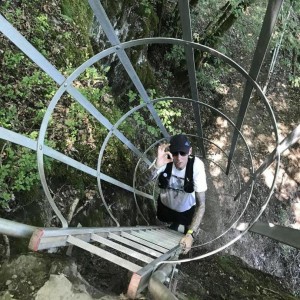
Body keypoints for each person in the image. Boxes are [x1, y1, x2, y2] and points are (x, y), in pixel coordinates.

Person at [144, 134, 207, 254]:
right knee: (163, 228)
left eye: (183, 153)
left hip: (186, 210)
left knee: (182, 237)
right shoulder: (164, 160)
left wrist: (190, 234)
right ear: (170, 152)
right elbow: (140, 183)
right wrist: (157, 166)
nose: (178, 158)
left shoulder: (196, 166)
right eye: (175, 153)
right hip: (165, 207)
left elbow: (201, 204)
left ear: (190, 151)